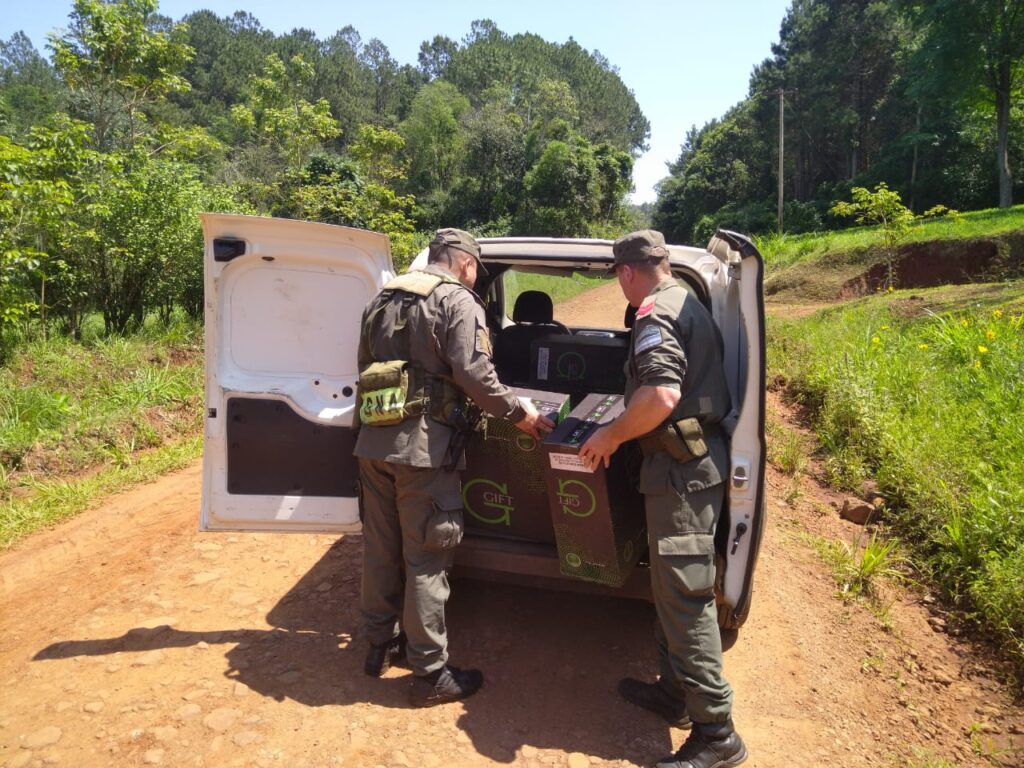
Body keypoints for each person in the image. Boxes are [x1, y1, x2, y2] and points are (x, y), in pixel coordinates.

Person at [354, 227, 554, 707]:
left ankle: (378, 647)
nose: (474, 276)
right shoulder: (458, 301)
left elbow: (362, 368)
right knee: (427, 556)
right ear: (465, 262)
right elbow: (474, 374)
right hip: (424, 451)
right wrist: (521, 414)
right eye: (475, 269)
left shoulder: (381, 298)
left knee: (382, 549)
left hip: (373, 444)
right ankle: (429, 674)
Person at [579, 230, 746, 768]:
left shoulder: (654, 312)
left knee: (687, 599)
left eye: (618, 279)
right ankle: (674, 692)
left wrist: (610, 436)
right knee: (672, 589)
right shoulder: (689, 299)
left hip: (681, 473)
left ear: (627, 272)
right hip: (686, 467)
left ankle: (718, 732)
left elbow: (661, 395)